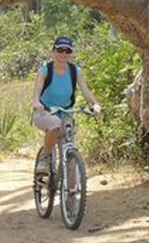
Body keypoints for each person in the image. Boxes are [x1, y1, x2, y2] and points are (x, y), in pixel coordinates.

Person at [32, 36, 101, 174]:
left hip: (65, 113)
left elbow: (85, 90)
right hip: (44, 112)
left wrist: (95, 104)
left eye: (67, 51)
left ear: (71, 53)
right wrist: (36, 103)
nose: (63, 54)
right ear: (54, 52)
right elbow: (37, 92)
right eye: (60, 50)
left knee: (68, 146)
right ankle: (45, 158)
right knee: (55, 124)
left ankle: (72, 190)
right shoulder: (45, 70)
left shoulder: (76, 71)